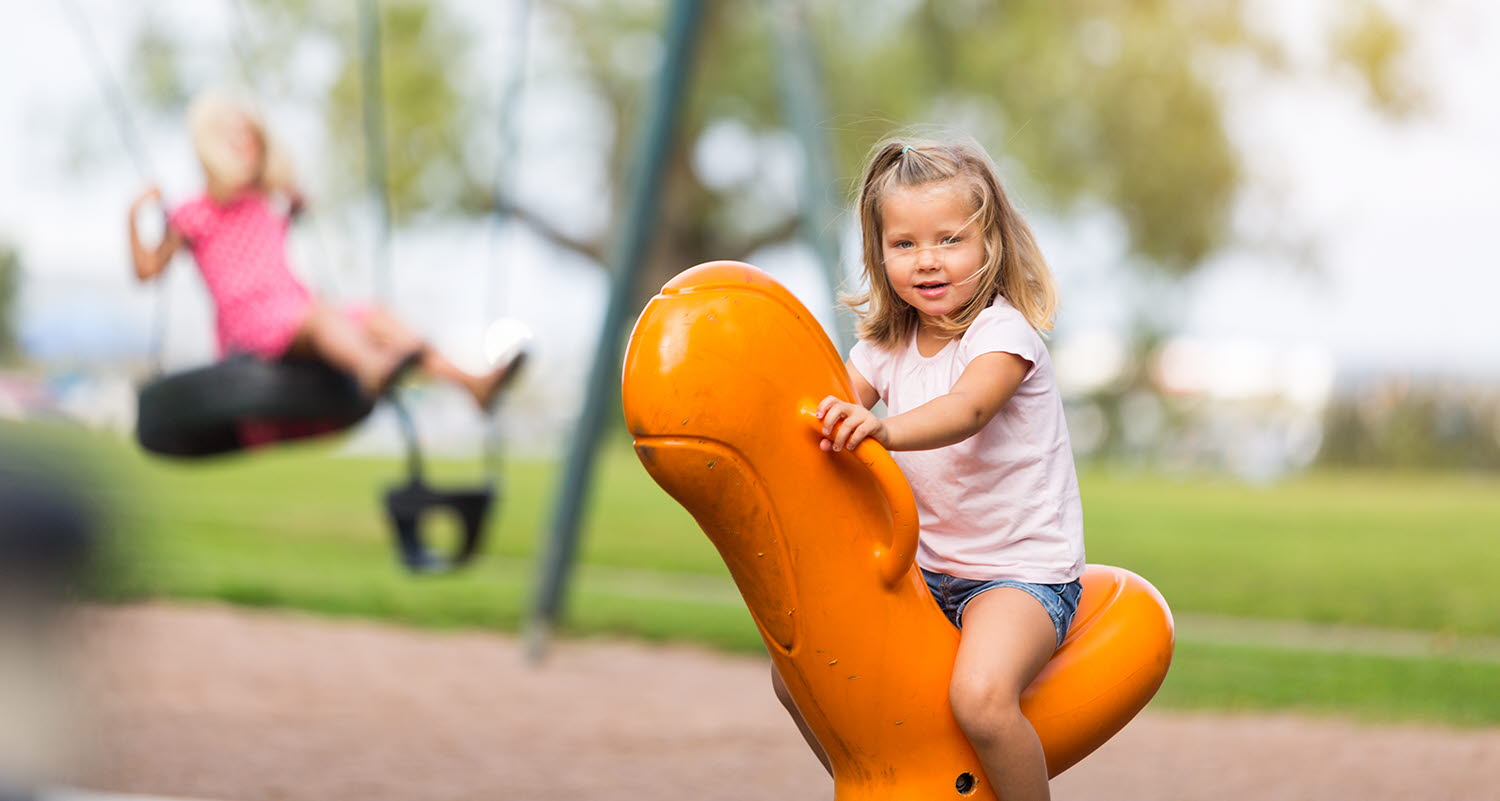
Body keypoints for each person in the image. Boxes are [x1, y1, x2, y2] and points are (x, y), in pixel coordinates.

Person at [774, 135, 1085, 801]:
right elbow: (817, 422)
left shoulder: (1003, 336)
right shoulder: (884, 345)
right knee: (799, 672)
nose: (927, 260)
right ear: (879, 253)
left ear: (990, 243)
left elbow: (968, 408)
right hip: (923, 571)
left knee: (980, 698)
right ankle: (886, 780)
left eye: (949, 239)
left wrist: (880, 430)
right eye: (905, 244)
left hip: (1018, 573)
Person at [127, 90, 521, 410]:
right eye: (237, 139)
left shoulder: (265, 201)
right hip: (250, 325)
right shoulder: (193, 214)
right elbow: (148, 271)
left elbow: (291, 208)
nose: (247, 147)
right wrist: (134, 218)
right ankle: (372, 368)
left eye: (252, 137)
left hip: (298, 312)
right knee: (321, 316)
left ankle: (472, 382)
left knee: (377, 318)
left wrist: (296, 202)